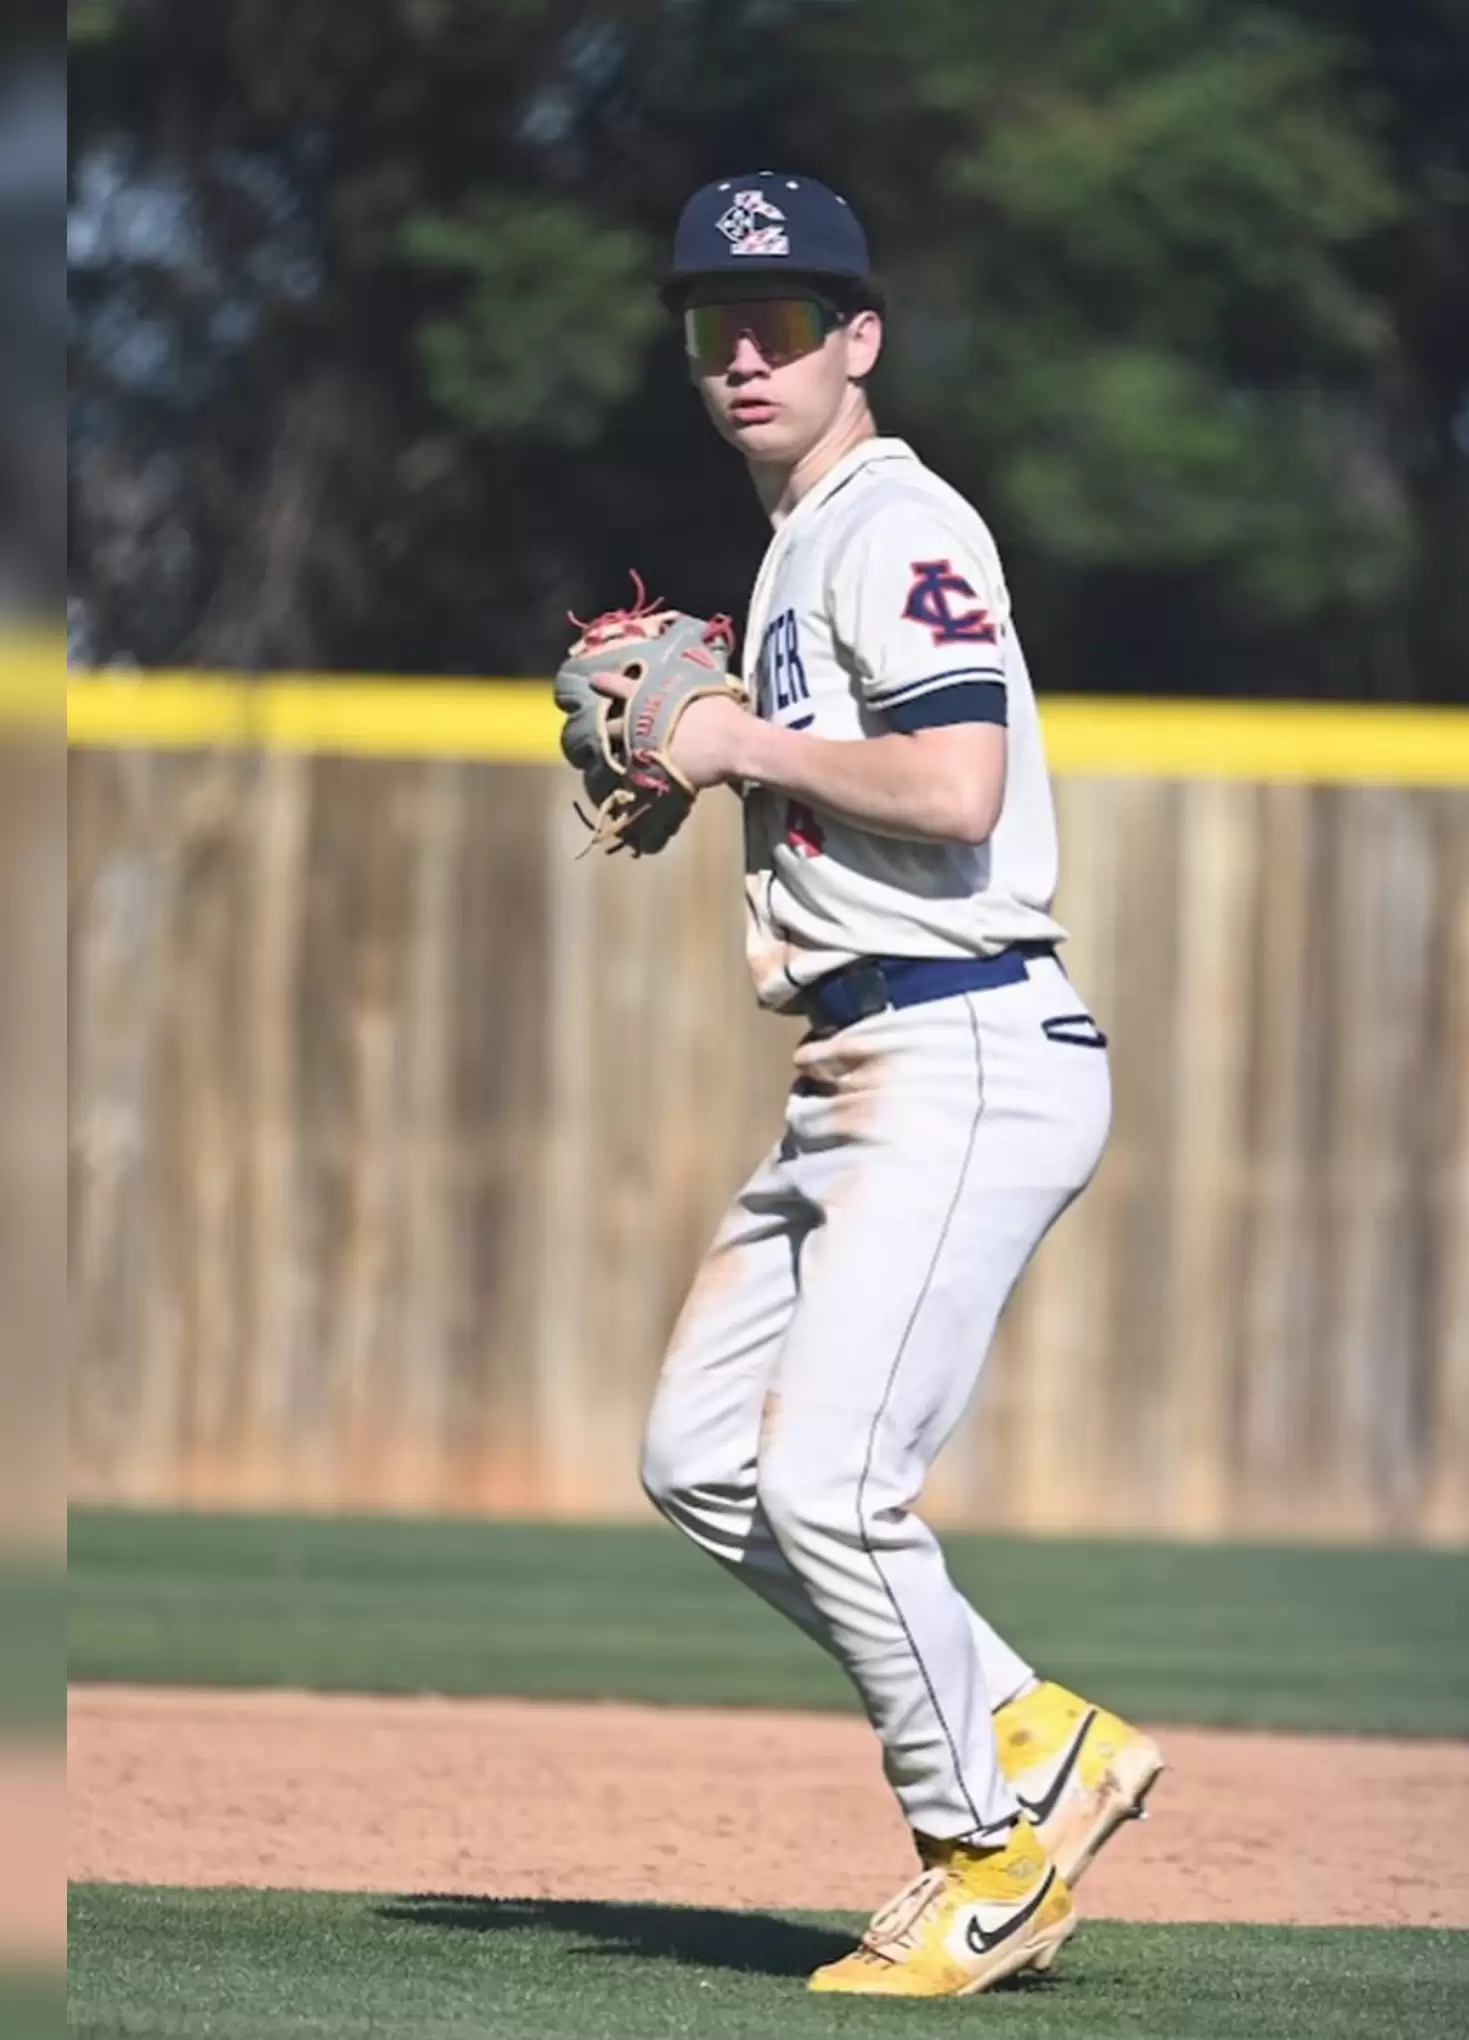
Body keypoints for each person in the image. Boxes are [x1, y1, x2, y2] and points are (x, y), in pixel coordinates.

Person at [594, 171, 1163, 1999]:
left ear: (862, 339)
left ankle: (985, 1851)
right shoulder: (802, 543)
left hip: (961, 1041)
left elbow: (958, 788)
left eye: (783, 323)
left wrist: (734, 742)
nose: (744, 356)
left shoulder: (894, 522)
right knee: (702, 1462)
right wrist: (726, 763)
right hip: (860, 1057)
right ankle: (1035, 1734)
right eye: (713, 328)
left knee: (832, 1482)